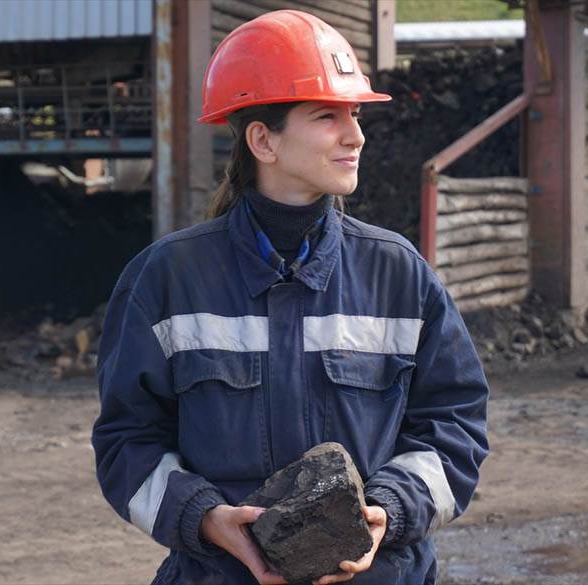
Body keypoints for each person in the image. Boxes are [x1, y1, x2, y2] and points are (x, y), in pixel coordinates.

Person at [92, 10, 489, 585]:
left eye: (353, 114)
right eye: (328, 116)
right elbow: (127, 441)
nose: (356, 135)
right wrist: (205, 519)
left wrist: (388, 510)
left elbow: (454, 426)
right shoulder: (167, 279)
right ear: (263, 140)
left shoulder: (398, 274)